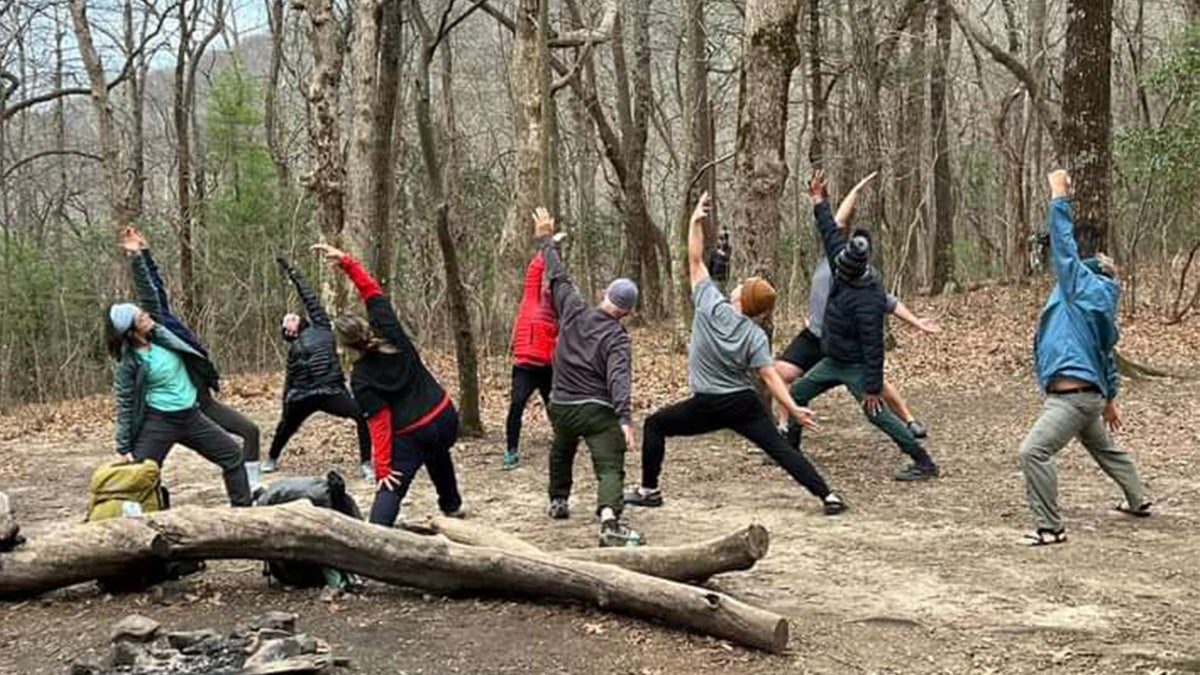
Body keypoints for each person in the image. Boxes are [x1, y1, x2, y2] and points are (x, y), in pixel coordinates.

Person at [624, 193, 846, 515]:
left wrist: (694, 221)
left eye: (744, 285)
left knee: (656, 425)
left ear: (743, 299)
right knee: (781, 450)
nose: (739, 284)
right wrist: (794, 409)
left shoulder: (710, 306)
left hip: (707, 403)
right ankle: (828, 496)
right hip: (743, 404)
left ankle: (649, 490)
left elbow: (695, 259)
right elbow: (769, 376)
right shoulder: (756, 334)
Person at [1017, 170, 1150, 546]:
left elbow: (1063, 246)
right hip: (1088, 396)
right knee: (1106, 449)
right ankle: (1138, 499)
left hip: (1072, 398)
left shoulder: (1079, 288)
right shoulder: (1101, 305)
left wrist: (1059, 196)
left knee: (1033, 452)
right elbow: (1106, 355)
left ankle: (1050, 528)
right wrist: (1109, 399)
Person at [787, 171, 940, 482]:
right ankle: (790, 450)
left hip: (855, 364)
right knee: (797, 393)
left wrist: (871, 387)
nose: (837, 266)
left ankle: (924, 462)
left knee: (877, 414)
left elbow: (874, 347)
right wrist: (819, 199)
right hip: (832, 359)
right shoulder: (844, 264)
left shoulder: (869, 299)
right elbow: (830, 231)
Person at [312, 242, 464, 527]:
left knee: (390, 487)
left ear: (344, 347)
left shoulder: (360, 378)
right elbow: (370, 290)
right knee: (437, 450)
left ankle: (374, 537)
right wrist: (346, 262)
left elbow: (379, 423)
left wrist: (382, 468)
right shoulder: (389, 329)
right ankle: (452, 505)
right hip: (445, 418)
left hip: (413, 434)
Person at [105, 240, 251, 507]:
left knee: (232, 455)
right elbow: (125, 403)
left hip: (192, 415)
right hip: (159, 421)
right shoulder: (129, 363)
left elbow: (150, 293)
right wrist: (123, 446)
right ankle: (141, 524)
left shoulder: (160, 334)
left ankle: (244, 513)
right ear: (132, 332)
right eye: (141, 318)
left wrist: (138, 257)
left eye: (144, 314)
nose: (147, 316)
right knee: (138, 476)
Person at [533, 207, 641, 547]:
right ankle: (609, 519)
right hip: (596, 409)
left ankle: (558, 500)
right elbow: (619, 378)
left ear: (605, 295)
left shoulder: (574, 310)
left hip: (561, 404)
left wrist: (545, 239)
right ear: (626, 311)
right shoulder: (618, 338)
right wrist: (624, 418)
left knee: (561, 448)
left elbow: (558, 276)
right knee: (609, 464)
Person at [266, 255, 373, 480]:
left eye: (292, 316)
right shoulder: (293, 348)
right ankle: (271, 459)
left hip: (330, 391)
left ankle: (366, 464)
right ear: (289, 332)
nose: (291, 316)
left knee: (362, 415)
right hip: (302, 395)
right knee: (285, 426)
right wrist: (286, 403)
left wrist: (292, 273)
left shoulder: (322, 325)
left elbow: (309, 297)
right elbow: (289, 379)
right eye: (287, 320)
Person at [503, 232, 562, 470]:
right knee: (516, 405)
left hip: (547, 368)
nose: (549, 290)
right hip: (524, 368)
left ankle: (563, 439)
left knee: (554, 407)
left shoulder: (559, 314)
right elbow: (534, 272)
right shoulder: (531, 300)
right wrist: (549, 244)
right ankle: (511, 451)